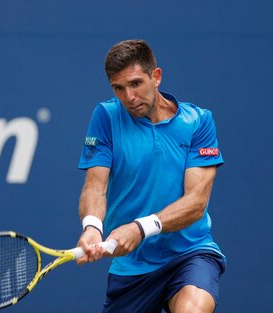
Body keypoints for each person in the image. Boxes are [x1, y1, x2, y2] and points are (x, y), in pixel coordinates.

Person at [76, 39, 226, 313]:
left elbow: (196, 202)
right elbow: (95, 186)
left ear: (156, 76)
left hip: (189, 253)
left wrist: (140, 228)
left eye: (135, 84)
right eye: (118, 88)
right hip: (132, 267)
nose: (128, 97)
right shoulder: (106, 117)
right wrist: (92, 227)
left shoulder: (199, 121)